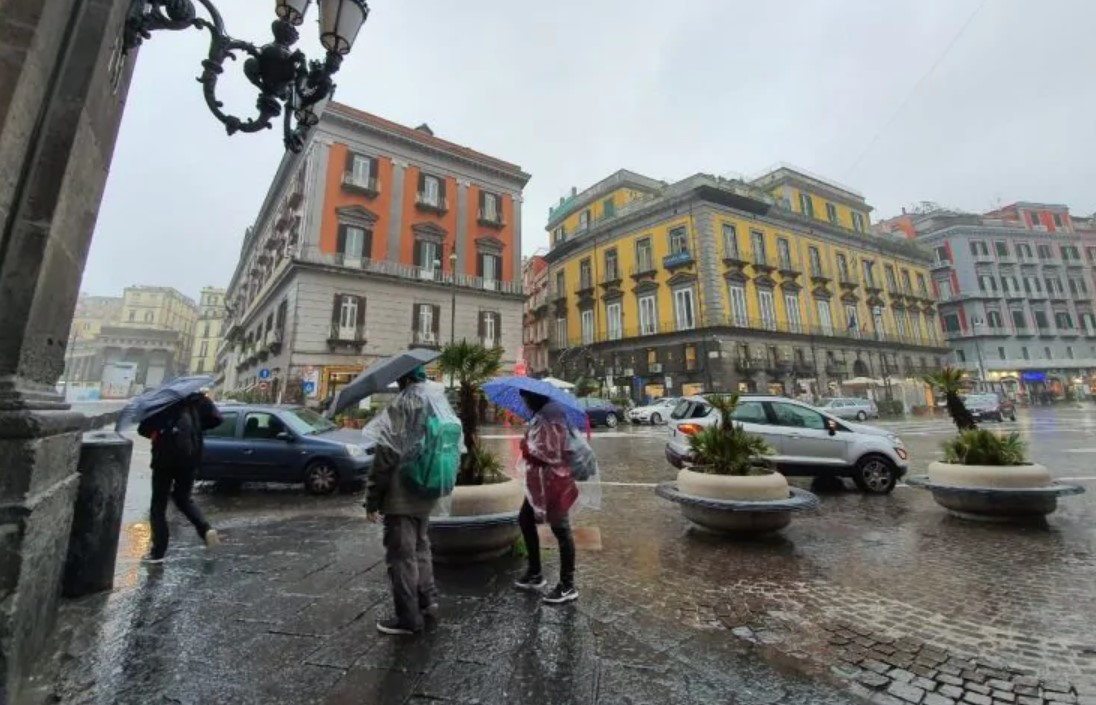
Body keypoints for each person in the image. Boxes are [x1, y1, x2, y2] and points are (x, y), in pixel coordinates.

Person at [365, 366, 457, 636]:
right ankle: (427, 600)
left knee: (401, 556)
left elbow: (384, 459)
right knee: (421, 546)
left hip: (401, 495)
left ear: (404, 379)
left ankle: (408, 618)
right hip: (427, 486)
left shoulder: (401, 407)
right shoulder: (436, 404)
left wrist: (372, 499)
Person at [513, 389, 580, 604]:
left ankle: (568, 585)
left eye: (525, 399)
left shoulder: (552, 418)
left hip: (553, 483)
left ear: (534, 398)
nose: (524, 403)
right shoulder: (542, 417)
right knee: (525, 519)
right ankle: (535, 573)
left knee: (561, 529)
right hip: (538, 484)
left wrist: (526, 447)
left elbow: (550, 453)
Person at [138, 392, 222, 563]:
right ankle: (205, 529)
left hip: (164, 460)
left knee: (158, 505)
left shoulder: (162, 402)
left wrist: (157, 434)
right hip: (189, 458)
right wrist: (197, 428)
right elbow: (217, 418)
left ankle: (158, 552)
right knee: (183, 498)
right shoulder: (197, 400)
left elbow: (143, 428)